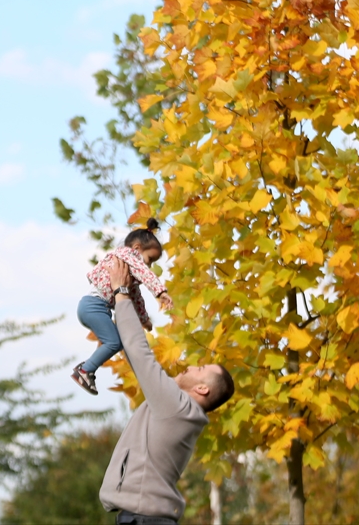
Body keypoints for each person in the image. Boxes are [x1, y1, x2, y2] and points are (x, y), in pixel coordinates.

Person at [99, 257, 235, 525]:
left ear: (202, 388)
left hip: (144, 520)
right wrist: (129, 302)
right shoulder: (178, 410)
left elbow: (140, 354)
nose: (191, 366)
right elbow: (135, 354)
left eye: (200, 368)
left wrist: (121, 292)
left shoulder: (177, 407)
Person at [72, 218, 174, 395]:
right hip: (93, 307)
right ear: (136, 249)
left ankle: (88, 366)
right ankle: (85, 370)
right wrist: (160, 292)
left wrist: (144, 319)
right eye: (150, 259)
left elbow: (135, 298)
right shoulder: (126, 255)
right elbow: (145, 273)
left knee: (114, 340)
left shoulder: (127, 272)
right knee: (114, 342)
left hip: (94, 308)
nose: (148, 265)